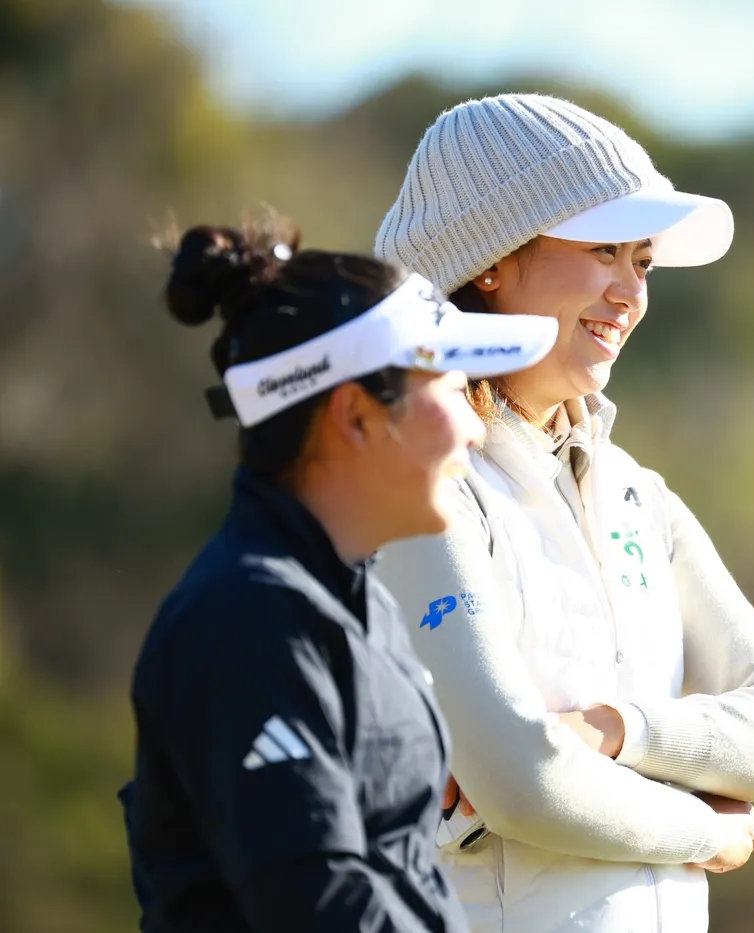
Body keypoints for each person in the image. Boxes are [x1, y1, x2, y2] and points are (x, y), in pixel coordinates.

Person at [371, 93, 754, 932]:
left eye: (643, 262)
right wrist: (707, 830)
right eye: (602, 251)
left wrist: (617, 730)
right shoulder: (419, 481)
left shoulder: (637, 494)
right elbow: (519, 782)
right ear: (491, 260)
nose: (631, 293)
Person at [119, 220, 557, 932]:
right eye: (451, 388)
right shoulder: (245, 621)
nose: (476, 429)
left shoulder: (352, 606)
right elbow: (319, 901)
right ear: (355, 416)